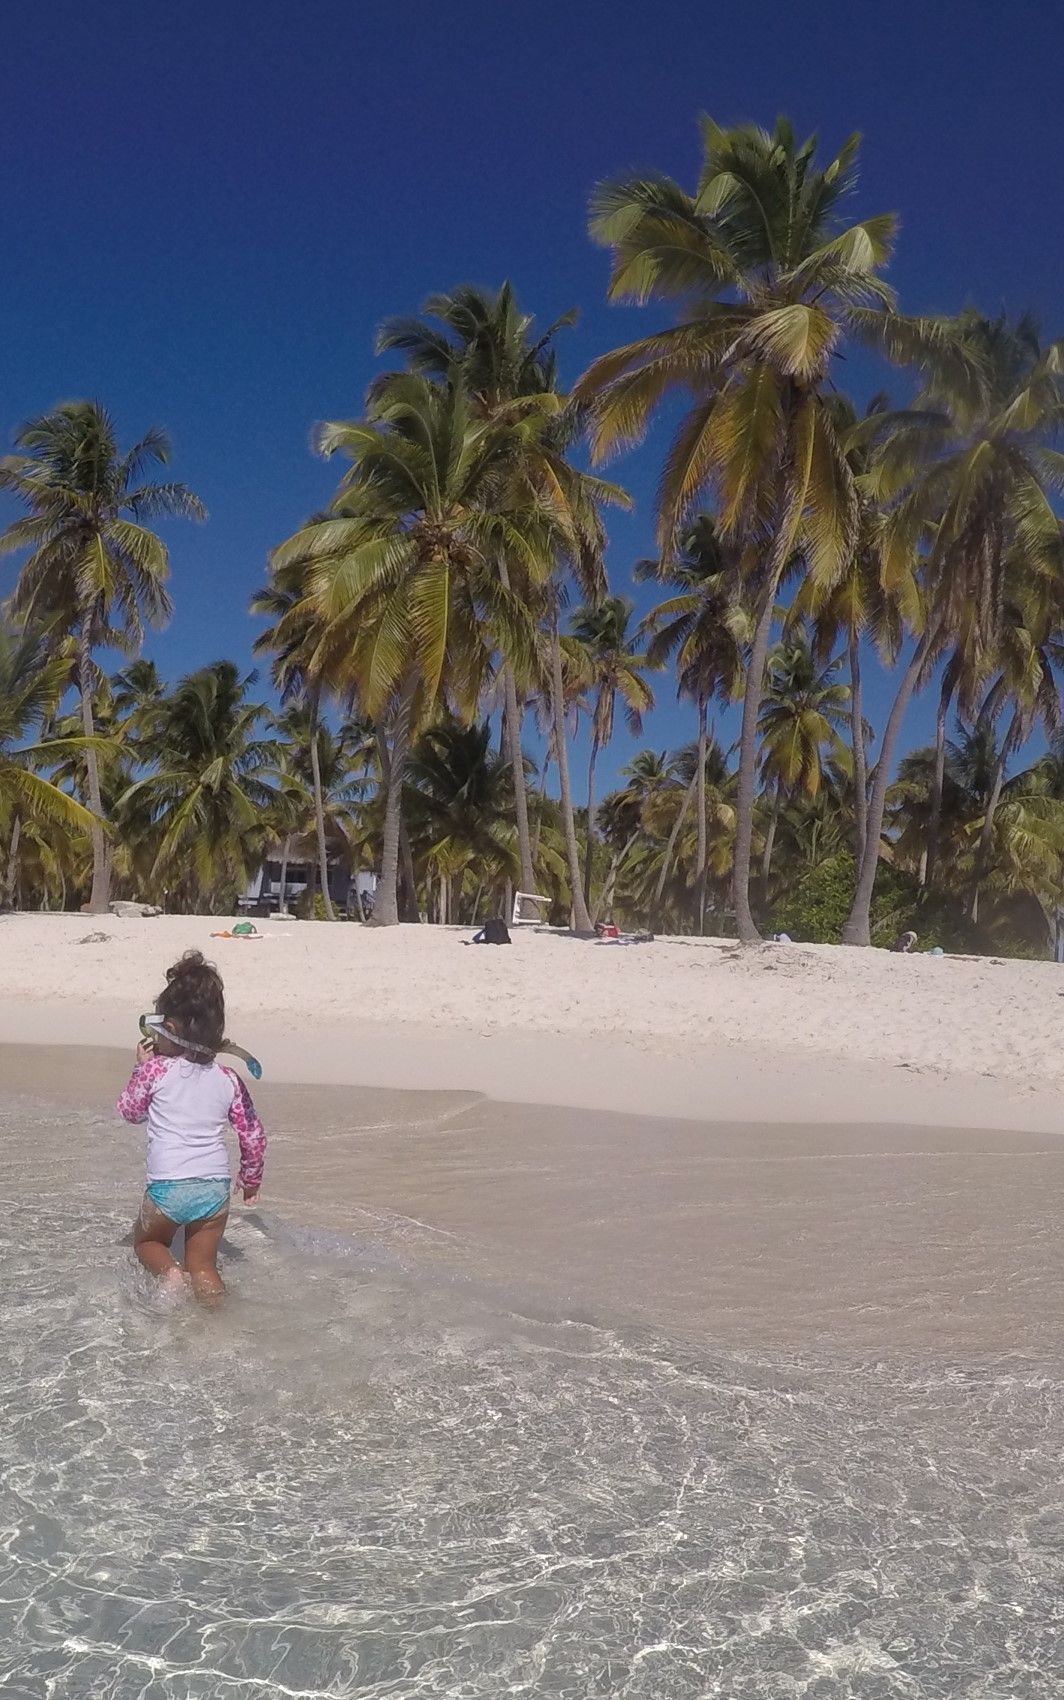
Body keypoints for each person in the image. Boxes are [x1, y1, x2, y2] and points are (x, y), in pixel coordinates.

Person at [117, 950, 266, 1305]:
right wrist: (251, 1179)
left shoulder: (155, 1071)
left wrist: (141, 1069)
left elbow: (130, 1111)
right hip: (214, 1190)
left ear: (168, 1030)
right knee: (203, 1267)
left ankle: (169, 1276)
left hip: (168, 1187)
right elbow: (253, 1134)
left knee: (149, 1243)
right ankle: (216, 1324)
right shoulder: (228, 1078)